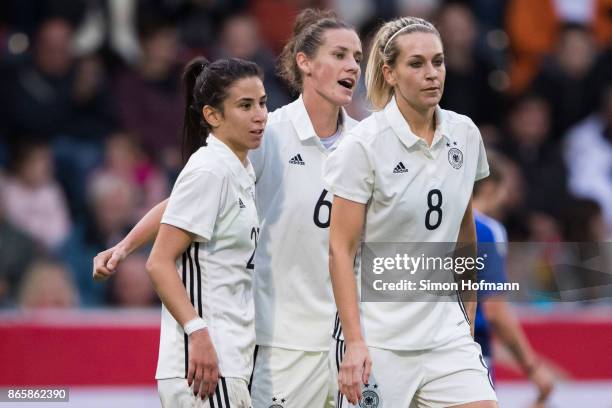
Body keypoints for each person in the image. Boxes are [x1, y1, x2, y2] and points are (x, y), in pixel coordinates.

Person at [94, 9, 362, 407]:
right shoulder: (264, 134)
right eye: (340, 55)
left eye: (357, 56)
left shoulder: (365, 143)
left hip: (343, 341)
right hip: (279, 341)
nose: (352, 66)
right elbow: (187, 201)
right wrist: (127, 245)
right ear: (304, 62)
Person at [324, 16, 497, 407]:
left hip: (445, 337)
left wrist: (465, 322)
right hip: (378, 339)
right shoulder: (364, 145)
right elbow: (339, 250)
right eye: (416, 64)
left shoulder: (465, 133)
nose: (432, 73)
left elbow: (465, 239)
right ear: (390, 73)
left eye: (438, 62)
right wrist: (354, 342)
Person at [146, 56, 267, 407]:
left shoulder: (238, 169)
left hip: (229, 358)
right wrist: (197, 333)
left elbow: (173, 207)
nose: (259, 115)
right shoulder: (211, 170)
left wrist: (123, 246)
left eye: (262, 103)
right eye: (245, 105)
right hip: (206, 363)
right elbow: (159, 262)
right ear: (212, 115)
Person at [472, 156, 555, 408]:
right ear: (490, 188)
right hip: (471, 355)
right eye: (505, 189)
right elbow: (494, 309)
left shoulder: (431, 225)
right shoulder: (488, 230)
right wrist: (532, 367)